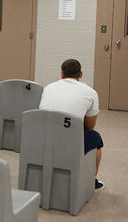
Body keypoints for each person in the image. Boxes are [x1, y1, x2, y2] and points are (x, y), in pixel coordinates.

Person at [39, 58, 104, 191]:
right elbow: (90, 126)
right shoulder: (91, 92)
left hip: (43, 137)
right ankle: (90, 182)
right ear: (80, 75)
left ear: (62, 74)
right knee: (95, 138)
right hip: (69, 139)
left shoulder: (48, 87)